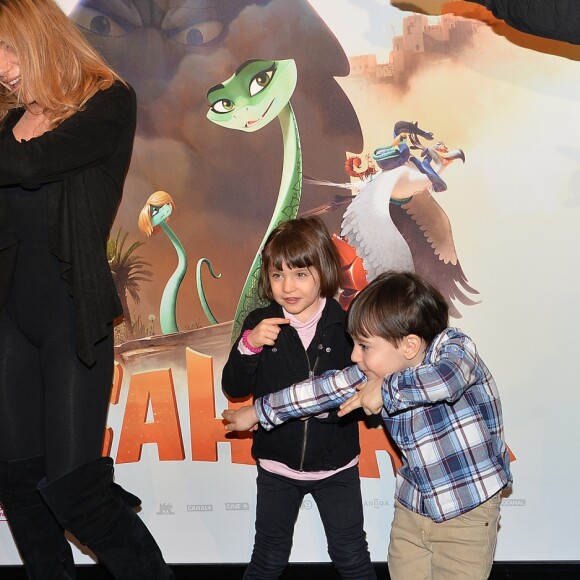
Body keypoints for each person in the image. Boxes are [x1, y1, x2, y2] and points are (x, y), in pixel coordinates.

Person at [0, 1, 174, 578]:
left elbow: (31, 167)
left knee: (77, 490)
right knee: (18, 481)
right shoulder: (5, 122)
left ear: (38, 36)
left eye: (6, 48)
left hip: (71, 316)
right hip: (8, 318)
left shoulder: (108, 102)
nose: (0, 67)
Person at [223, 270, 512, 580]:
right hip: (413, 508)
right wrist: (257, 412)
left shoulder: (454, 347)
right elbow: (319, 390)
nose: (353, 355)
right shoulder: (370, 373)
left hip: (467, 511)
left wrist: (384, 389)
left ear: (409, 346)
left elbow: (446, 380)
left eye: (364, 346)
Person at [222, 216, 376, 579]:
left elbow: (360, 391)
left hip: (337, 466)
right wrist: (248, 346)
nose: (288, 286)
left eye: (300, 274)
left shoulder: (347, 325)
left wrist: (328, 412)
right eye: (278, 275)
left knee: (351, 556)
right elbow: (234, 387)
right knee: (268, 558)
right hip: (277, 467)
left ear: (323, 271)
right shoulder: (259, 322)